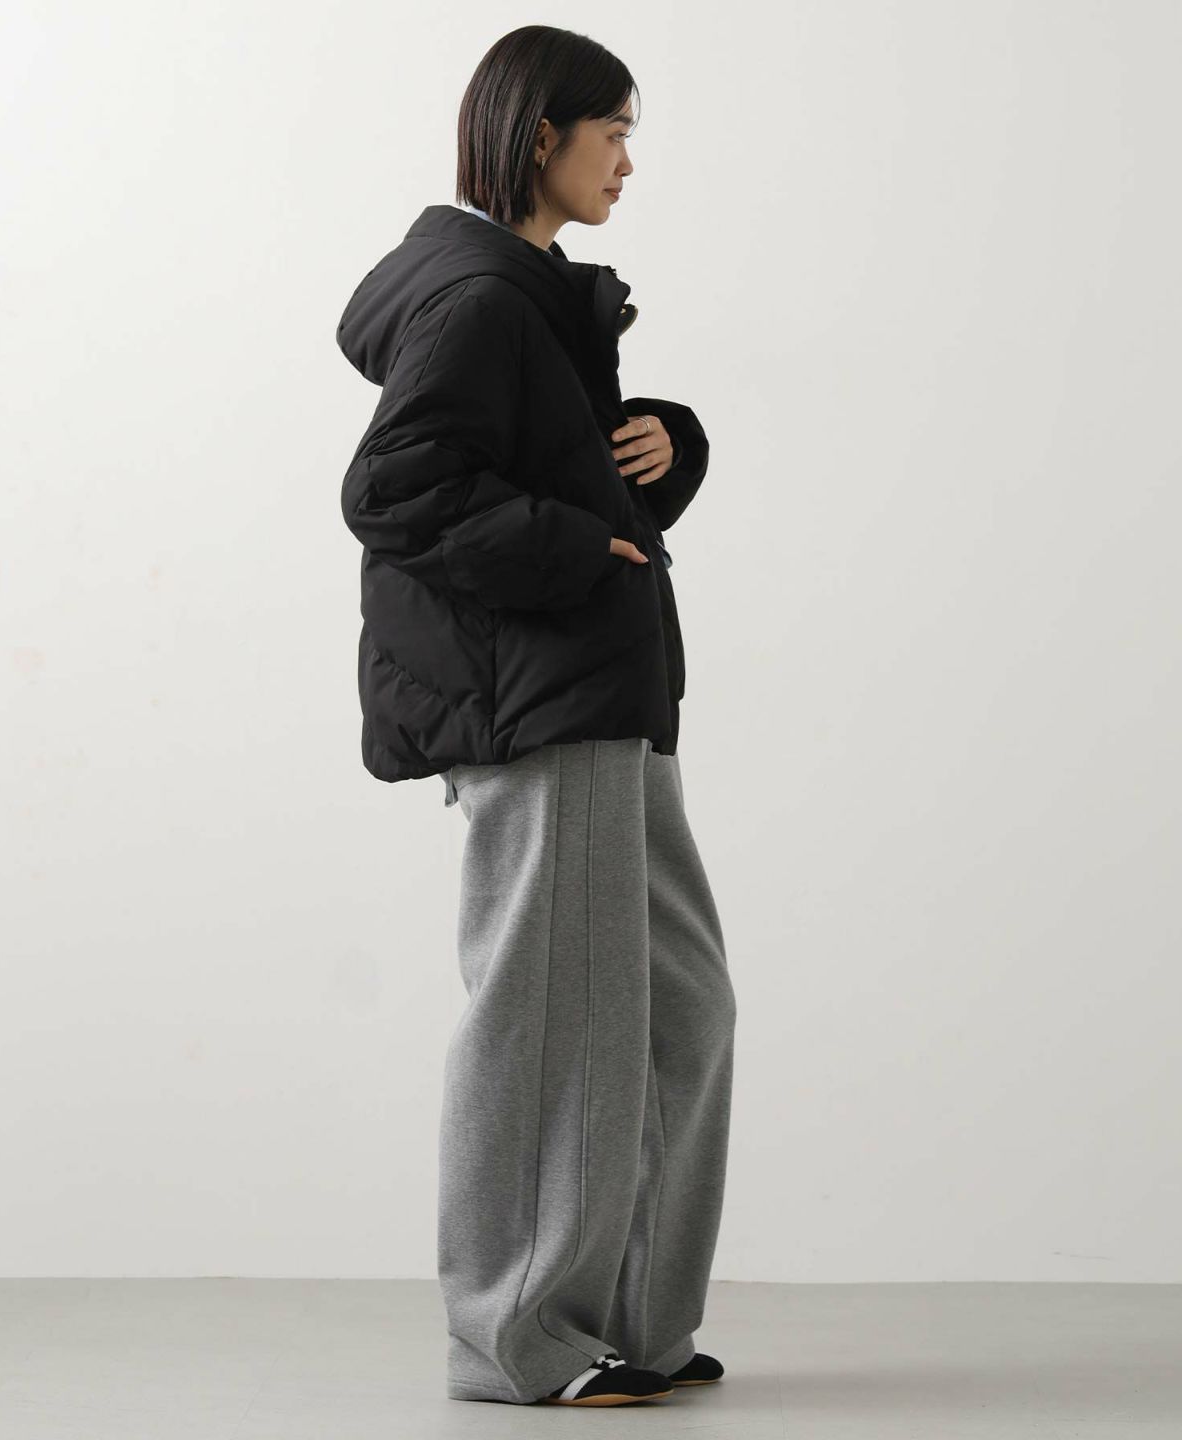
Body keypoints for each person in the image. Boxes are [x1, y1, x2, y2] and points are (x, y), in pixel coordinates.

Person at [335, 24, 736, 1408]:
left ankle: (632, 1317)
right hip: (543, 702)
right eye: (611, 132)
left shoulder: (532, 292)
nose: (627, 160)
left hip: (604, 695)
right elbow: (395, 491)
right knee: (549, 1020)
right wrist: (575, 551)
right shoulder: (481, 300)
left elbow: (537, 464)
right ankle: (516, 1338)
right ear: (540, 135)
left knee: (679, 1007)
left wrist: (666, 448)